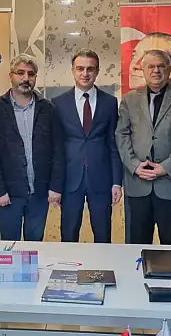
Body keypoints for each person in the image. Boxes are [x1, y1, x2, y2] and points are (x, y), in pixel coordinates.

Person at [116, 49, 171, 245]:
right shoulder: (129, 99)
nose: (156, 70)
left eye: (161, 66)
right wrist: (135, 165)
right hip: (138, 184)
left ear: (170, 69)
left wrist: (166, 167)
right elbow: (121, 134)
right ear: (143, 70)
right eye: (151, 66)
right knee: (136, 245)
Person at [0, 54, 64, 241]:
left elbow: (58, 150)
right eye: (20, 73)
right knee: (9, 247)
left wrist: (55, 186)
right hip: (9, 194)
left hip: (39, 193)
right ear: (10, 76)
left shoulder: (48, 109)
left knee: (34, 246)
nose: (25, 78)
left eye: (31, 74)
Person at [52, 48, 123, 243]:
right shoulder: (58, 103)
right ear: (73, 70)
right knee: (68, 235)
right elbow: (56, 148)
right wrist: (55, 185)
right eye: (80, 68)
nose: (85, 73)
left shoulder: (110, 102)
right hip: (70, 179)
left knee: (103, 235)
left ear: (97, 71)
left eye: (90, 69)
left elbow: (113, 144)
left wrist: (117, 182)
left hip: (101, 179)